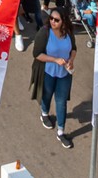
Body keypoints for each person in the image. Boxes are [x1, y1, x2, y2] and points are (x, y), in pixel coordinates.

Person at [28, 9, 77, 148]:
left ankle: (61, 132)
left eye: (56, 20)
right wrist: (54, 60)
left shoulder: (68, 33)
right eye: (51, 18)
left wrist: (71, 59)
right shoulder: (45, 32)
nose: (52, 22)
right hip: (48, 72)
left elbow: (74, 48)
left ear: (63, 22)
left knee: (61, 102)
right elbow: (37, 54)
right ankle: (44, 113)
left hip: (64, 74)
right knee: (47, 95)